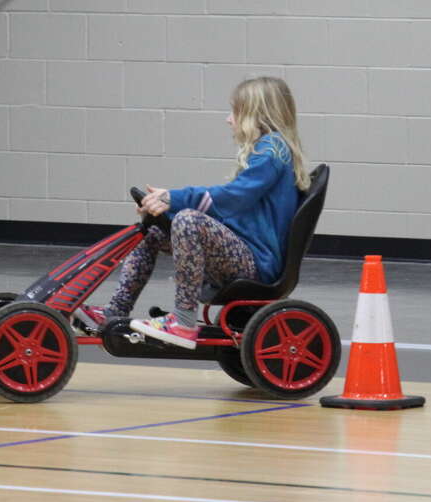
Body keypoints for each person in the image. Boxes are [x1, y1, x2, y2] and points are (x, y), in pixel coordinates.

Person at [73, 76, 311, 349]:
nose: (228, 120)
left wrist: (172, 199)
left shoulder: (271, 153)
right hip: (247, 253)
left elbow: (231, 200)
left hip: (257, 263)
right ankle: (115, 310)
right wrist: (164, 212)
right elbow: (231, 214)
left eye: (235, 112)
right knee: (155, 229)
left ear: (255, 114)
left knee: (188, 220)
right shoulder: (271, 151)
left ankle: (184, 322)